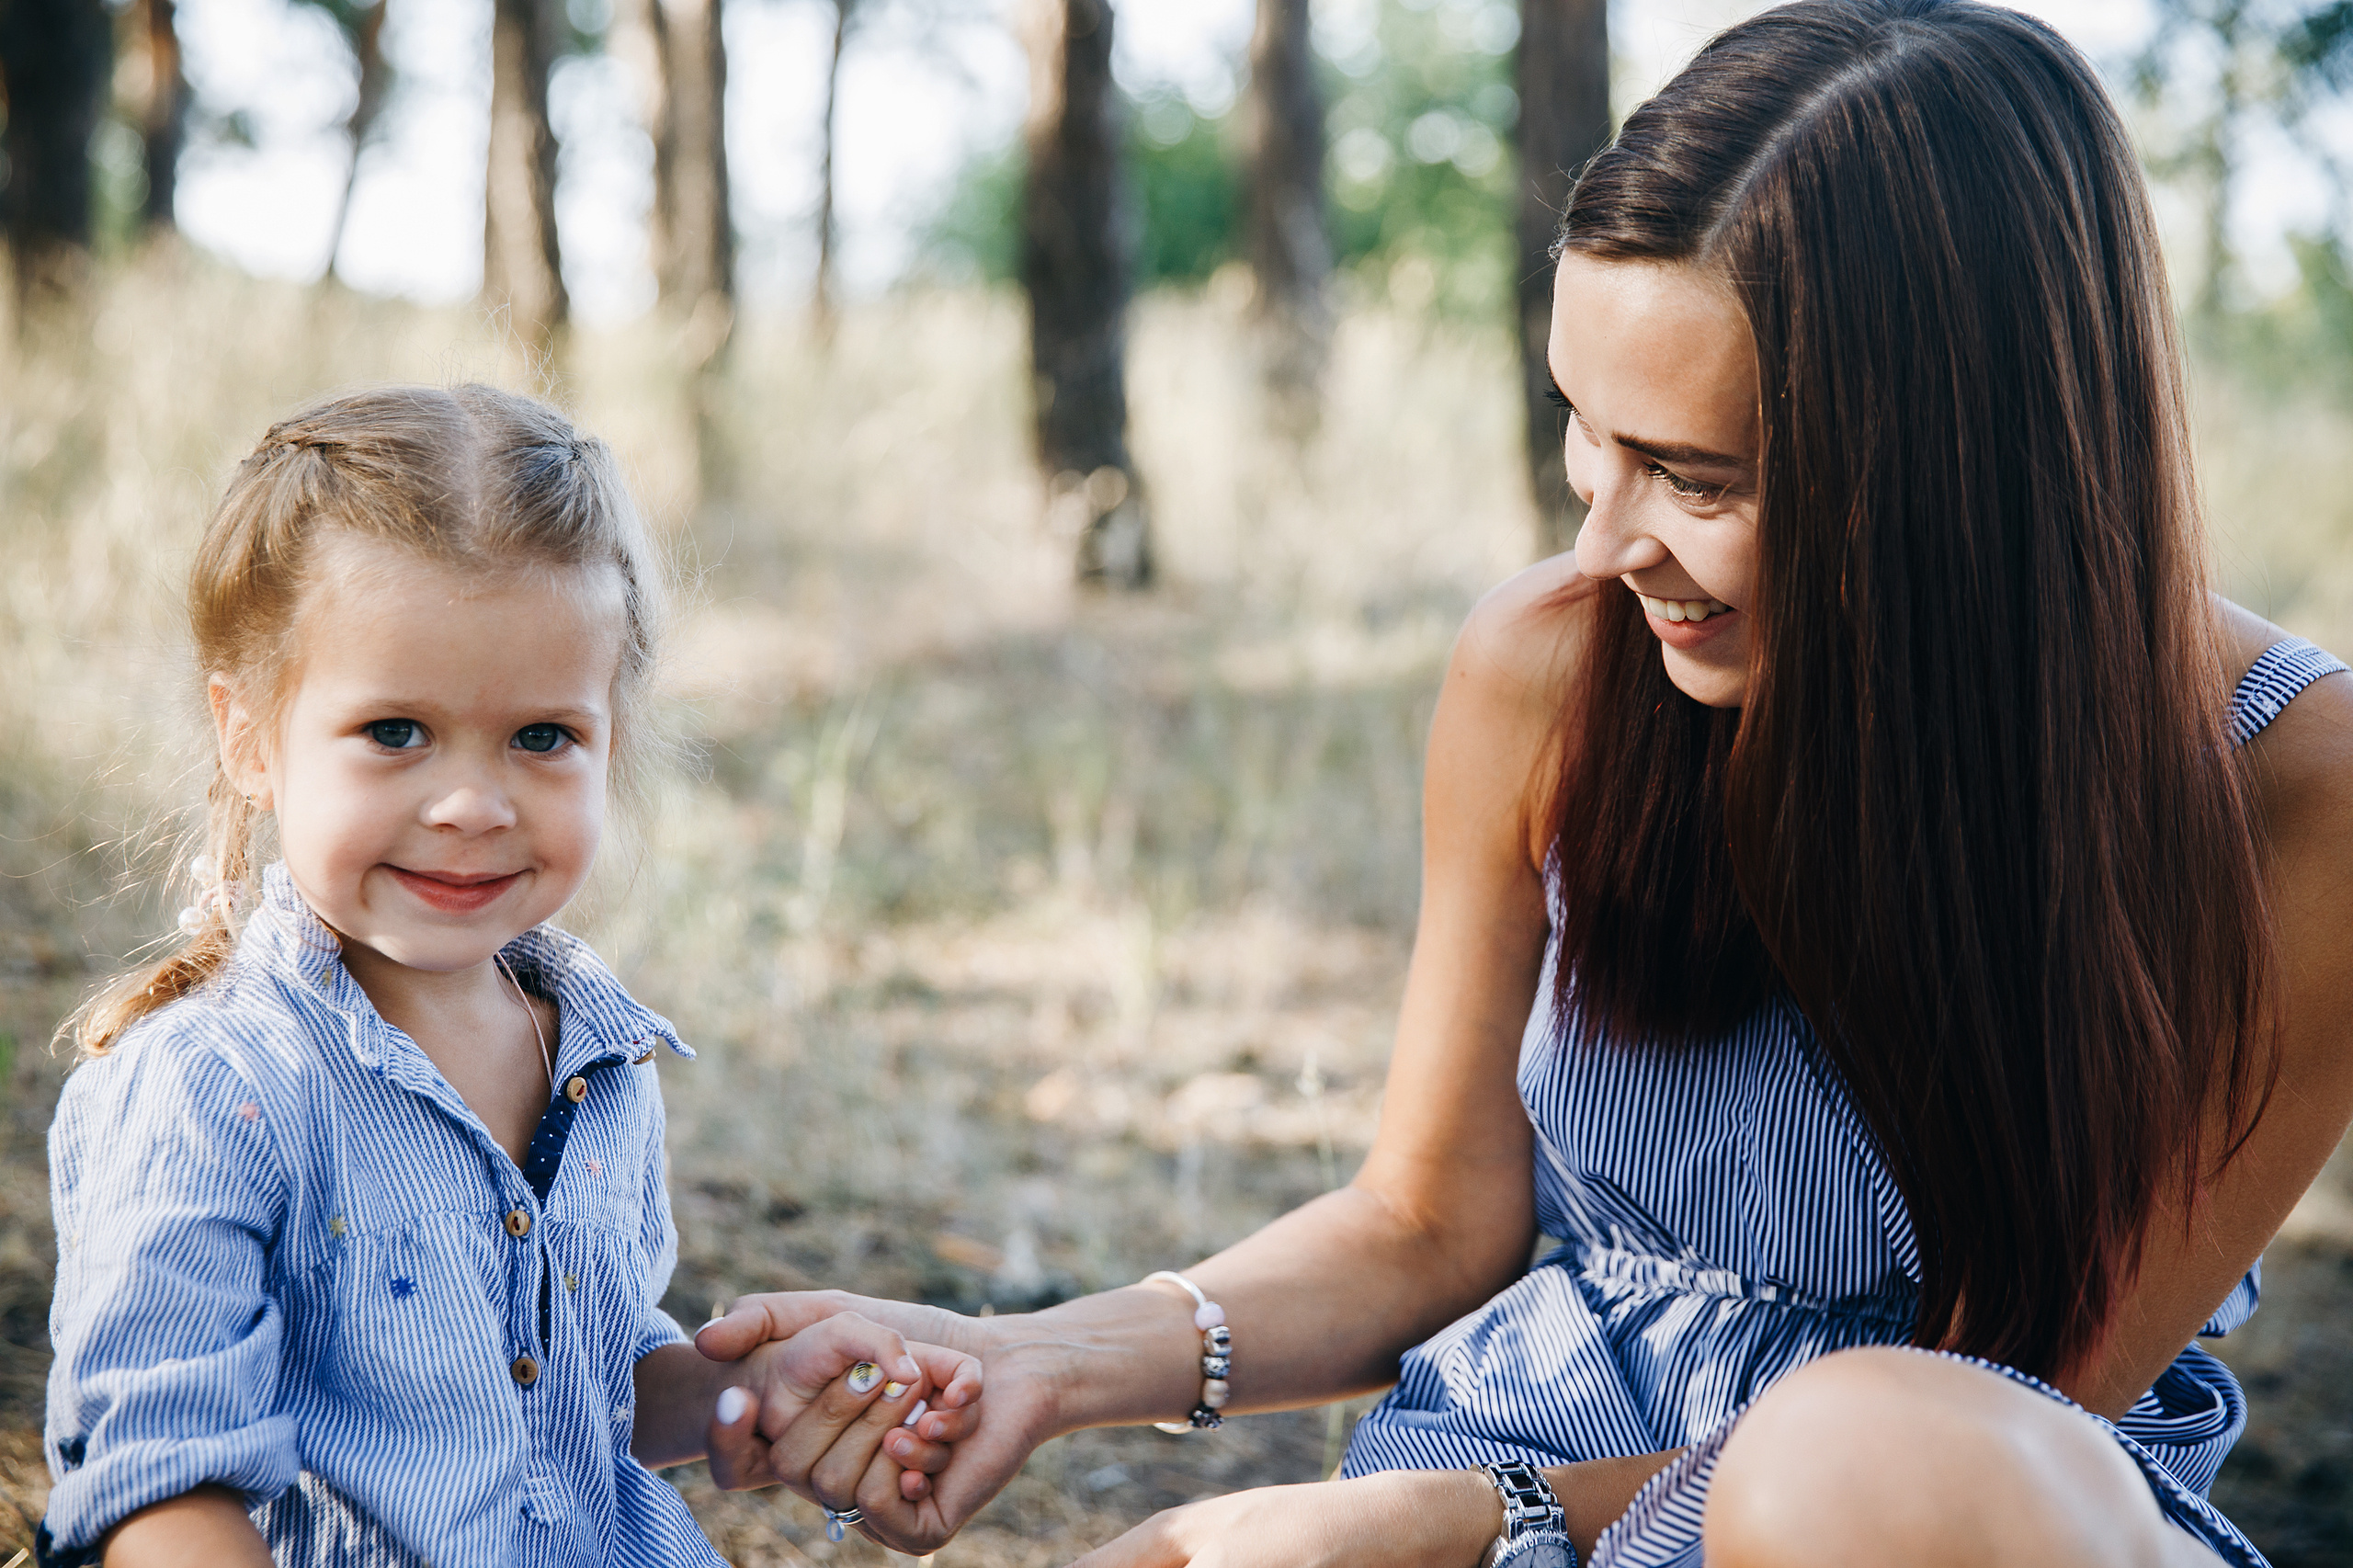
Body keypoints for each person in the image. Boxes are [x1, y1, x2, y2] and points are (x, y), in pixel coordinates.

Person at [696, 3, 2353, 1564]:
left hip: (1924, 1518)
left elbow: (2020, 1395)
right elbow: (1430, 1218)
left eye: (1696, 476)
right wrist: (1036, 1356)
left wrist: (1461, 1523)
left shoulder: (2297, 788)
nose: (1604, 540)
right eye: (1586, 430)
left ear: (1961, 475)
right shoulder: (1559, 670)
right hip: (1519, 1461)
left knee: (1858, 1446)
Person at [38, 385, 983, 1567]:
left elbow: (567, 1402)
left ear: (610, 740)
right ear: (250, 738)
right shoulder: (208, 1090)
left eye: (542, 737)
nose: (473, 805)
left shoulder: (594, 1056)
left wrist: (742, 1393)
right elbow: (160, 1493)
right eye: (395, 731)